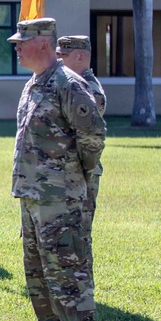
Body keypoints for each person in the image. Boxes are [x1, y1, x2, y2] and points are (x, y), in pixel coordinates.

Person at [8, 18, 106, 321]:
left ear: (45, 45)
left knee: (68, 271)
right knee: (36, 272)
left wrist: (70, 175)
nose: (16, 47)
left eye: (23, 42)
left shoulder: (70, 85)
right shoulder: (33, 84)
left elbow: (92, 138)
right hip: (32, 195)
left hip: (60, 196)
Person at [56, 35, 107, 245]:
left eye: (63, 56)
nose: (58, 60)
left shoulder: (90, 90)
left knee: (79, 235)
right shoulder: (68, 84)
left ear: (79, 56)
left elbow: (89, 136)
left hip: (82, 174)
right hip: (65, 172)